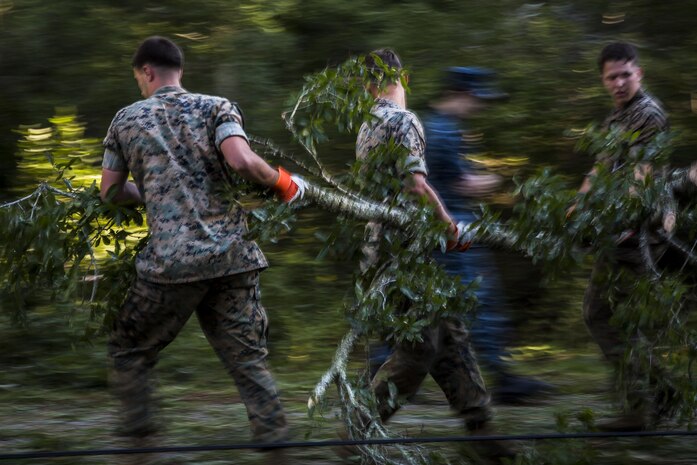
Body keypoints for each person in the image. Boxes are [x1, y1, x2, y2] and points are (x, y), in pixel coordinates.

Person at [100, 36, 305, 462]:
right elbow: (243, 162)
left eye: (138, 77)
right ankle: (278, 450)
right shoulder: (217, 107)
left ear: (147, 72)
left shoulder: (125, 120)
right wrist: (286, 184)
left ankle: (140, 451)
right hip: (232, 258)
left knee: (128, 348)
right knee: (248, 360)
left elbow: (110, 193)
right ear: (180, 71)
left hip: (172, 266)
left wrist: (153, 194)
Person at [355, 48, 513, 462]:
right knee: (421, 345)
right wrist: (449, 225)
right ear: (401, 78)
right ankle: (359, 427)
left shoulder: (367, 124)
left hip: (387, 248)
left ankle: (481, 430)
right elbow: (415, 185)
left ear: (368, 83)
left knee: (452, 336)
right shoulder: (404, 120)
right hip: (409, 251)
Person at [424, 67, 553, 404]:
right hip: (454, 233)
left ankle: (386, 373)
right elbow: (458, 183)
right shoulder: (442, 131)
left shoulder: (437, 126)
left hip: (444, 231)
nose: (480, 106)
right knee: (480, 301)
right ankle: (503, 378)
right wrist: (496, 180)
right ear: (463, 93)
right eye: (478, 98)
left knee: (426, 307)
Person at [573, 41, 672, 431]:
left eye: (625, 74)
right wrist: (576, 206)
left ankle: (642, 406)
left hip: (639, 230)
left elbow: (640, 176)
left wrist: (608, 220)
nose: (618, 82)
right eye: (611, 76)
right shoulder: (616, 117)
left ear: (639, 73)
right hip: (619, 228)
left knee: (603, 315)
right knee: (611, 316)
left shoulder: (648, 113)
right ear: (603, 80)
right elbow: (600, 169)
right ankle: (658, 394)